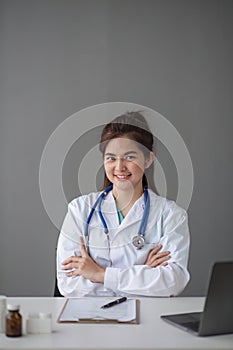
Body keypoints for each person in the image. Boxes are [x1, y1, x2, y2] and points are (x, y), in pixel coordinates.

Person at [56, 111, 190, 297]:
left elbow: (173, 280)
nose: (119, 167)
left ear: (148, 159)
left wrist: (98, 274)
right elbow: (69, 284)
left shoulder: (171, 215)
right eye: (111, 157)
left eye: (130, 157)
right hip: (90, 320)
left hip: (147, 318)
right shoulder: (79, 210)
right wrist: (143, 274)